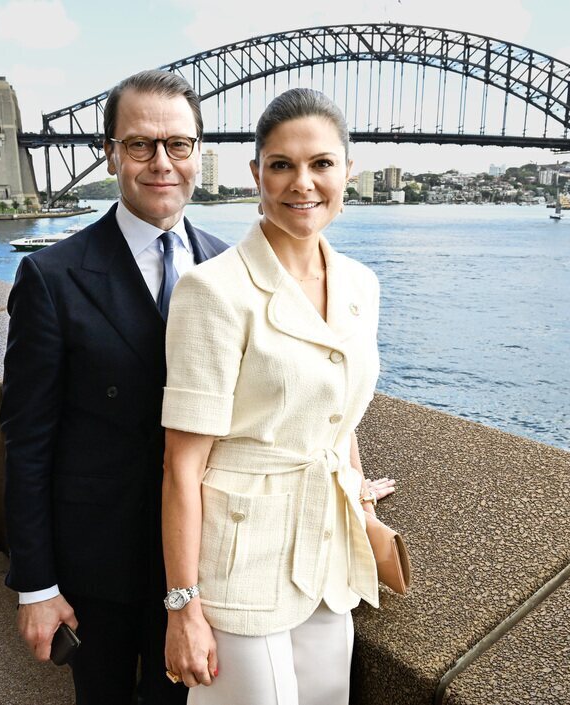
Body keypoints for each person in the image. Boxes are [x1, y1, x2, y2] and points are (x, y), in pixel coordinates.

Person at [159, 88, 395, 705]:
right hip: (240, 558)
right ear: (257, 174)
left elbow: (337, 424)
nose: (303, 184)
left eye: (322, 163)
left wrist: (364, 513)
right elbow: (183, 465)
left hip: (328, 549)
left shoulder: (360, 286)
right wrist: (183, 607)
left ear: (349, 171)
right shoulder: (212, 290)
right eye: (282, 165)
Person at [0, 69, 228, 705]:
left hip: (202, 563)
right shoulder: (51, 276)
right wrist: (37, 585)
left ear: (198, 153)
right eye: (139, 145)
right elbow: (26, 442)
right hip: (95, 567)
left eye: (178, 145)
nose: (161, 162)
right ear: (110, 154)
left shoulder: (230, 266)